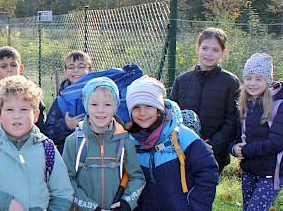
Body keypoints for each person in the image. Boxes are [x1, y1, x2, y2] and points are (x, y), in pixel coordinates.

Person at [0, 76, 74, 211]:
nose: (17, 115)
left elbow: (63, 193)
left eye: (24, 109)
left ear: (36, 115)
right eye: (9, 110)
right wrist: (7, 204)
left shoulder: (47, 149)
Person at [125, 76, 219, 210]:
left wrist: (196, 206)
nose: (142, 113)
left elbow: (208, 170)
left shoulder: (183, 136)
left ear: (159, 109)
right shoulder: (129, 141)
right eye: (136, 107)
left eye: (149, 106)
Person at [61, 77, 144, 211]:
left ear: (116, 106)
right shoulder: (74, 142)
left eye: (107, 105)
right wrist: (91, 207)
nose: (101, 110)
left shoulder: (125, 141)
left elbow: (137, 178)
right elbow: (66, 182)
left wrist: (126, 202)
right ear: (85, 103)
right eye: (94, 104)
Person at [169, 27, 240, 172]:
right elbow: (172, 114)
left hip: (214, 154)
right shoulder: (182, 80)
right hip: (183, 150)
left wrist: (213, 144)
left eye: (215, 50)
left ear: (223, 53)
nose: (209, 54)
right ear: (197, 49)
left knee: (205, 192)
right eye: (205, 48)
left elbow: (232, 119)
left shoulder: (230, 82)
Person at [230, 53, 283, 211]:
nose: (252, 83)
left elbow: (276, 143)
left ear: (268, 81)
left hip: (272, 173)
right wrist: (233, 148)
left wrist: (246, 150)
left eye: (259, 79)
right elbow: (236, 136)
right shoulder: (245, 105)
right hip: (249, 170)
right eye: (249, 78)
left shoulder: (280, 106)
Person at [0, 46, 46, 147]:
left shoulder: (34, 99)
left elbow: (42, 131)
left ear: (21, 68)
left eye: (13, 65)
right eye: (4, 66)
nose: (9, 70)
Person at [44, 51, 95, 151]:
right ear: (65, 72)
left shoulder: (100, 94)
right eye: (71, 67)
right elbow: (48, 134)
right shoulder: (61, 101)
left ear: (90, 70)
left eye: (81, 66)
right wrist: (66, 126)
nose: (76, 70)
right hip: (69, 156)